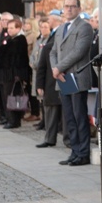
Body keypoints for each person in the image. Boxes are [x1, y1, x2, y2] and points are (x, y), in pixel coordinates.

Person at [50, 0, 93, 166]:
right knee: (69, 117)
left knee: (79, 115)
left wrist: (58, 68)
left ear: (79, 8)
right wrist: (56, 69)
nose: (69, 9)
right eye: (66, 6)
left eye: (72, 6)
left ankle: (83, 153)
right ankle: (74, 151)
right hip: (62, 77)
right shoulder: (61, 28)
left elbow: (78, 52)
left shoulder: (84, 27)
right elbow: (52, 52)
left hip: (76, 76)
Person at [0, 18, 30, 129]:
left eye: (12, 28)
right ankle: (9, 118)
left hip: (13, 74)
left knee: (12, 97)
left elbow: (18, 59)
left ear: (18, 28)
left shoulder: (20, 40)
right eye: (8, 28)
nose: (9, 30)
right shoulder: (10, 39)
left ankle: (14, 120)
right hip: (6, 73)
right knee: (6, 96)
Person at [35, 16, 63, 147]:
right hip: (50, 85)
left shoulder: (67, 49)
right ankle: (49, 139)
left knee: (67, 115)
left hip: (65, 83)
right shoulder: (47, 48)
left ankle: (68, 140)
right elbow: (41, 68)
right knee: (50, 114)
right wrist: (39, 85)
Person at [29, 17, 51, 128]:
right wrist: (32, 63)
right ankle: (43, 120)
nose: (43, 29)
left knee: (45, 98)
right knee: (39, 99)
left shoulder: (49, 41)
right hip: (36, 72)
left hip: (44, 72)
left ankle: (46, 121)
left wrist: (38, 65)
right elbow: (33, 54)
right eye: (41, 27)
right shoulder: (38, 41)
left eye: (46, 27)